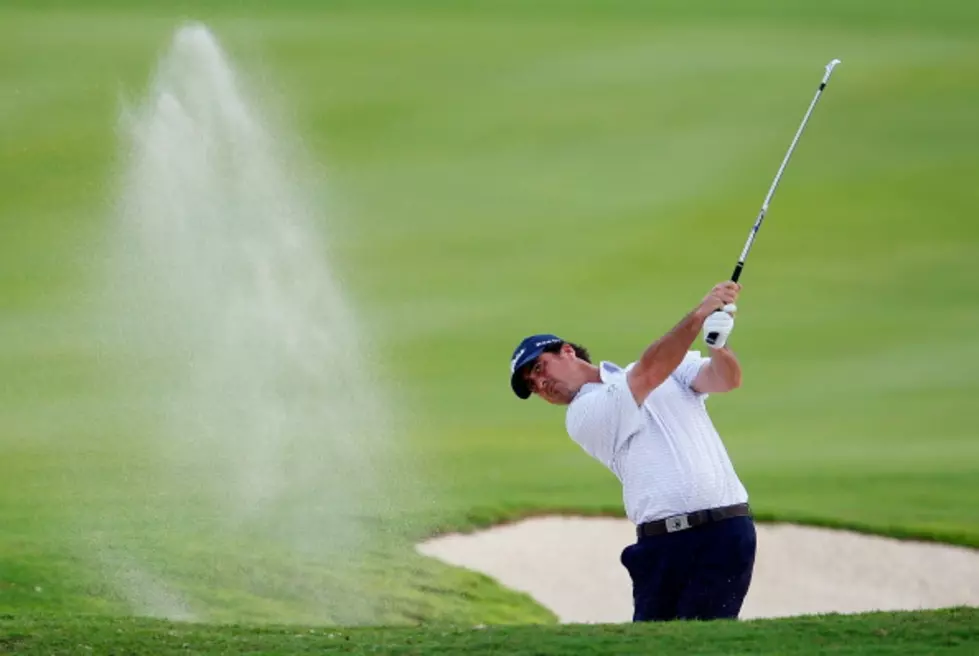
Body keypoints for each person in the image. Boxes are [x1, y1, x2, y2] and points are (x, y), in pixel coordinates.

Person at [508, 280, 755, 622]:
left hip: (729, 531)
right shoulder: (583, 414)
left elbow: (726, 380)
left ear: (567, 351)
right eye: (532, 386)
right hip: (664, 546)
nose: (540, 384)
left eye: (538, 369)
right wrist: (699, 314)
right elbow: (650, 371)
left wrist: (718, 344)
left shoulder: (665, 373)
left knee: (705, 644)